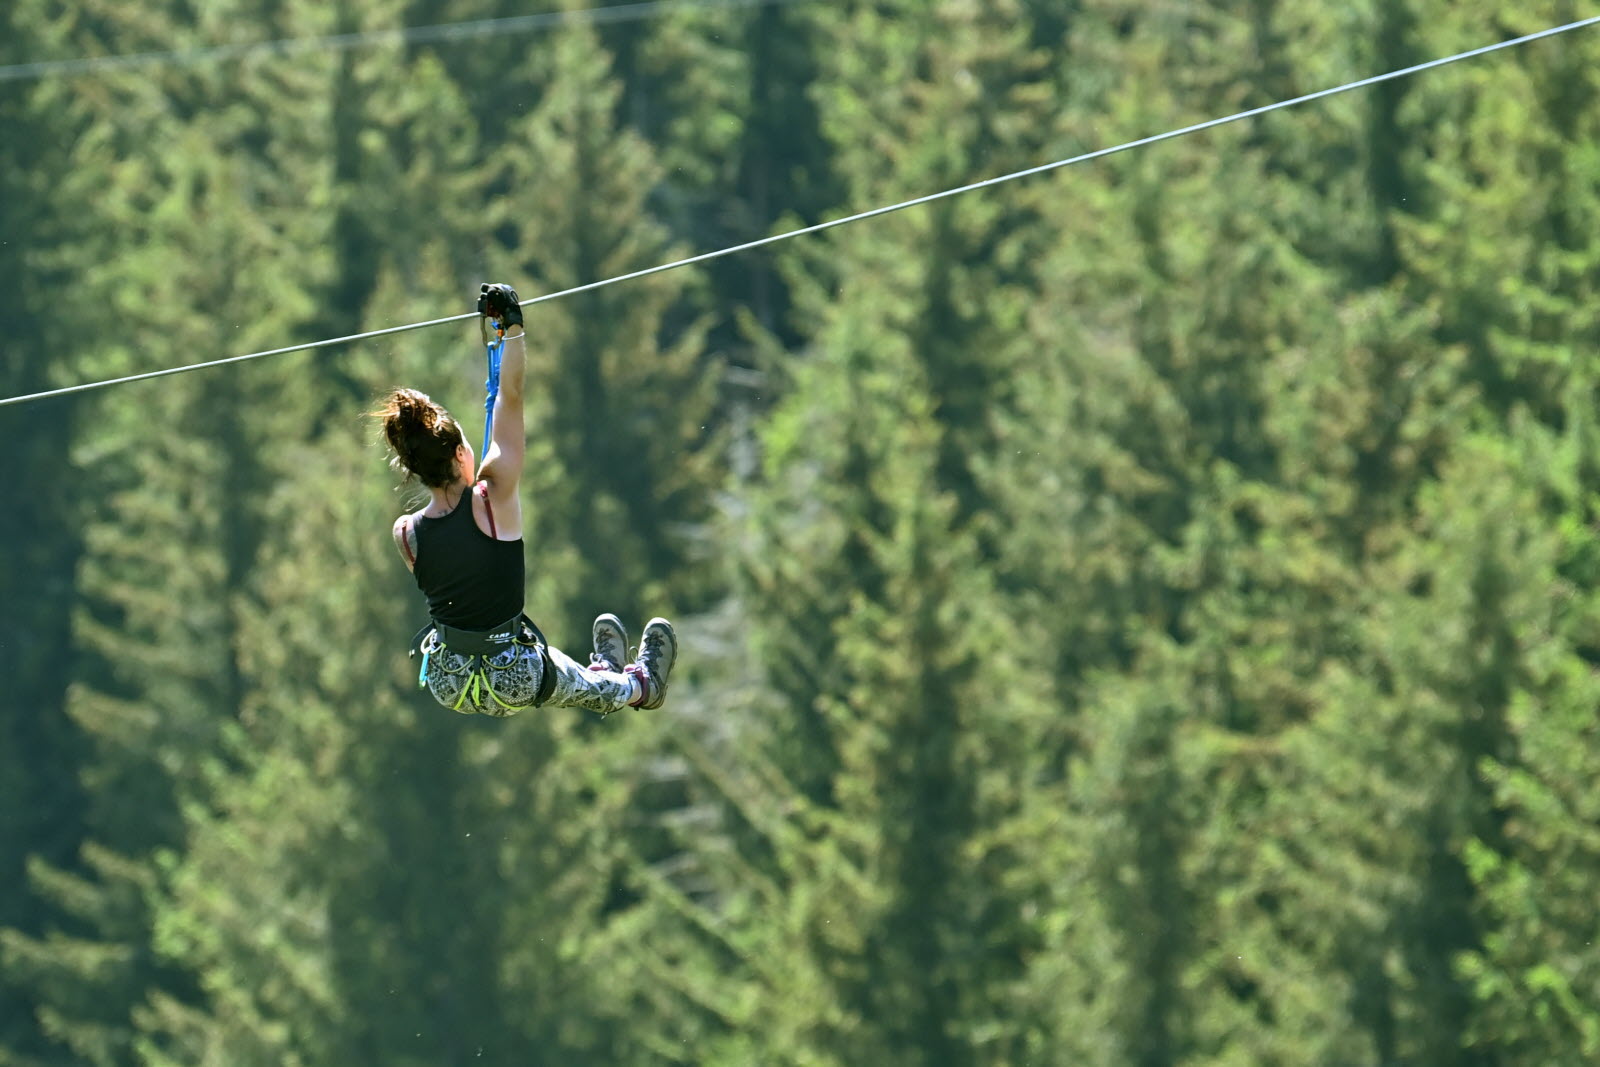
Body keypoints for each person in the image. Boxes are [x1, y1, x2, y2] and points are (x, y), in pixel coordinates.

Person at [374, 282, 676, 718]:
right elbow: (510, 399)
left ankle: (605, 675)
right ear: (461, 453)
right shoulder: (493, 496)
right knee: (555, 674)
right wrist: (512, 329)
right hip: (509, 675)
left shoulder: (405, 534)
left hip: (449, 679)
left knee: (560, 670)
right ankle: (638, 685)